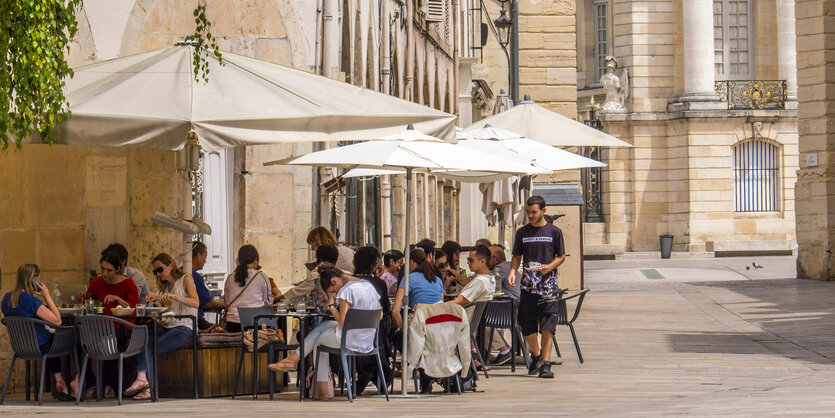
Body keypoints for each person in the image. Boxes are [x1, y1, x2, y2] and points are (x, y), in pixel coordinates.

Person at [267, 264, 381, 400]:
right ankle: (293, 359)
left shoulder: (346, 290)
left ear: (334, 281)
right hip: (367, 338)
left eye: (333, 291)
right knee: (323, 326)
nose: (334, 294)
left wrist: (332, 306)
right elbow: (379, 315)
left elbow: (343, 322)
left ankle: (323, 392)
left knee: (318, 341)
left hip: (350, 339)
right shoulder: (368, 286)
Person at [124, 253, 199, 400]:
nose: (158, 274)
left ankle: (145, 384)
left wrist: (175, 296)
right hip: (170, 325)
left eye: (160, 269)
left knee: (151, 345)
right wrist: (156, 301)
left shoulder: (185, 279)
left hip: (185, 326)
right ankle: (144, 384)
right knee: (145, 339)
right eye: (155, 272)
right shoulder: (164, 286)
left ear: (171, 265)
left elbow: (196, 302)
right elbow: (167, 313)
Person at [508, 195, 566, 379]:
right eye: (528, 212)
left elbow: (561, 256)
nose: (531, 216)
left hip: (548, 287)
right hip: (528, 286)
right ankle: (537, 354)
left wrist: (550, 267)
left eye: (534, 212)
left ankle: (546, 365)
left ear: (543, 211)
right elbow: (516, 255)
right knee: (526, 324)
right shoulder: (522, 233)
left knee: (548, 326)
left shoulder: (554, 232)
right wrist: (512, 272)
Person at [1, 264, 74, 401]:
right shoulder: (32, 301)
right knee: (69, 337)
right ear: (34, 281)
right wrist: (46, 296)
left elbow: (4, 318)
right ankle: (75, 382)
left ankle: (60, 381)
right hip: (40, 345)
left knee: (51, 339)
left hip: (20, 347)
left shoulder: (6, 298)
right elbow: (57, 321)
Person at [79, 251, 140, 397]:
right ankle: (90, 383)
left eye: (109, 270)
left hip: (122, 326)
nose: (104, 273)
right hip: (100, 326)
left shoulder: (128, 283)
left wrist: (118, 299)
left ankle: (111, 385)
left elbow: (134, 309)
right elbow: (88, 302)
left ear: (118, 269)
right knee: (79, 339)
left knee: (111, 342)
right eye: (102, 269)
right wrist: (84, 301)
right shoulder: (97, 283)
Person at [351, 246, 394, 394]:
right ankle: (376, 373)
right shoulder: (379, 283)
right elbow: (386, 308)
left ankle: (368, 372)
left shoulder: (350, 282)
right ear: (374, 264)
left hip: (351, 333)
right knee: (383, 325)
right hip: (374, 334)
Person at [223, 245, 273, 332]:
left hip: (233, 324)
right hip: (256, 324)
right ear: (255, 261)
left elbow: (227, 301)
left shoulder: (230, 277)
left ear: (238, 260)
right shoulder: (261, 277)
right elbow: (268, 301)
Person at [391, 248, 443, 330]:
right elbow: (441, 303)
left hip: (418, 326)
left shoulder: (408, 279)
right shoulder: (437, 280)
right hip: (437, 326)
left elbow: (395, 311)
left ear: (411, 262)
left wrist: (405, 330)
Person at [488, 245, 516, 365]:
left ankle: (504, 350)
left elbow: (490, 287)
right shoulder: (509, 266)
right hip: (517, 308)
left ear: (497, 260)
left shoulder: (499, 269)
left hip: (511, 311)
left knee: (480, 321)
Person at [190, 241, 226, 331]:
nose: (205, 261)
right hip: (196, 320)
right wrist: (224, 304)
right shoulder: (195, 277)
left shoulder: (180, 272)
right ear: (198, 255)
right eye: (204, 257)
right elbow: (207, 303)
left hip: (188, 319)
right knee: (220, 330)